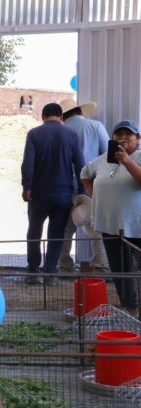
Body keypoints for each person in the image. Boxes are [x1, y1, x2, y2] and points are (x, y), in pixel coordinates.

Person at [81, 120, 141, 317]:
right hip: (111, 224)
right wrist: (95, 195)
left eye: (128, 135)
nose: (122, 138)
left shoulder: (138, 157)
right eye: (118, 135)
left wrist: (127, 161)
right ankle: (130, 308)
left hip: (137, 225)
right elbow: (85, 174)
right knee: (119, 270)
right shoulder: (102, 160)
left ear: (137, 139)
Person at [21, 103, 85, 285]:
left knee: (34, 231)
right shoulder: (71, 134)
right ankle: (50, 273)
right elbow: (80, 164)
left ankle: (33, 272)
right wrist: (82, 190)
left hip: (38, 193)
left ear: (43, 116)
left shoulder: (34, 134)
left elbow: (28, 164)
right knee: (56, 234)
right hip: (64, 193)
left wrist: (26, 187)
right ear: (61, 116)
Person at [58, 98, 110, 274]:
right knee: (96, 227)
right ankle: (100, 265)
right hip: (91, 184)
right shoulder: (95, 126)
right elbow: (108, 155)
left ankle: (64, 266)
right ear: (79, 111)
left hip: (64, 185)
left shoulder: (61, 131)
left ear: (63, 116)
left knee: (66, 228)